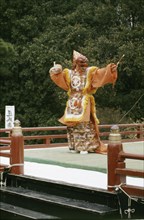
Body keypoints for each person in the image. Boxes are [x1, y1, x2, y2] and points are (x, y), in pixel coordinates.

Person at [49, 50, 118, 154]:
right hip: (72, 101)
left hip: (84, 100)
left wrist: (110, 69)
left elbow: (101, 73)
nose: (82, 66)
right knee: (71, 125)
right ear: (75, 63)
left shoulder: (90, 72)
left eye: (84, 63)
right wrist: (56, 68)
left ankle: (85, 147)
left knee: (84, 124)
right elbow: (57, 75)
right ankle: (73, 146)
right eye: (80, 63)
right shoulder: (69, 73)